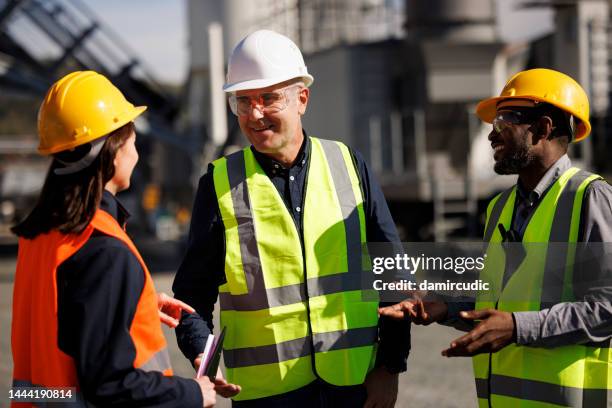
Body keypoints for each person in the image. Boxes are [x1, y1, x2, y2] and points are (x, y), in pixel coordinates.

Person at [173, 29, 410, 407]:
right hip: (265, 395)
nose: (254, 114)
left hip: (353, 385)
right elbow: (190, 297)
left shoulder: (348, 165)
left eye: (268, 98)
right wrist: (205, 359)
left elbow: (392, 272)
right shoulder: (218, 184)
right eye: (243, 101)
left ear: (302, 99)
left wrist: (390, 367)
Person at [380, 68, 612, 407]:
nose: (492, 134)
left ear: (543, 129)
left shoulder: (591, 199)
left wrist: (518, 328)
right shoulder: (500, 207)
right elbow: (504, 304)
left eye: (505, 121)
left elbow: (606, 309)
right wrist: (444, 307)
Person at [11, 71, 217, 407]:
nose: (136, 146)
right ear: (113, 146)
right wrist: (193, 393)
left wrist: (135, 303)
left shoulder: (41, 236)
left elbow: (64, 325)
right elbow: (110, 385)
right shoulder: (104, 249)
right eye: (131, 132)